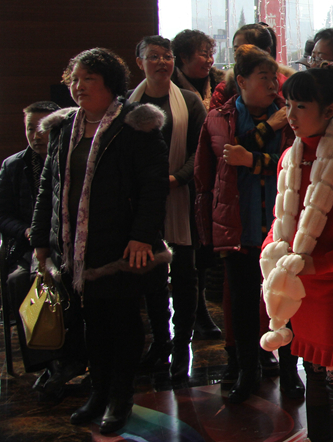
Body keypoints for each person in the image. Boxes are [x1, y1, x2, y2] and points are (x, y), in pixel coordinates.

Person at [31, 48, 169, 435]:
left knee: (122, 323)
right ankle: (98, 393)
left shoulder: (135, 125)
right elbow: (48, 187)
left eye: (87, 79)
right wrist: (41, 240)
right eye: (74, 79)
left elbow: (154, 186)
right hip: (75, 248)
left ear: (110, 83)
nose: (78, 87)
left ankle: (120, 398)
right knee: (92, 325)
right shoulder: (64, 126)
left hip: (122, 247)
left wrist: (142, 236)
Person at [259, 65, 333, 442]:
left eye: (301, 106)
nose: (290, 115)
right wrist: (270, 251)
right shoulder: (289, 158)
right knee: (311, 371)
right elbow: (280, 221)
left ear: (328, 111)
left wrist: (317, 264)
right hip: (300, 286)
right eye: (287, 105)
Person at [195, 44, 299, 403]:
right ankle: (246, 370)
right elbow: (216, 168)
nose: (272, 85)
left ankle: (290, 372)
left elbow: (292, 162)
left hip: (279, 226)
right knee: (241, 302)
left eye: (274, 78)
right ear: (241, 81)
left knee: (284, 300)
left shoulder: (290, 116)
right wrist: (206, 233)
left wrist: (253, 159)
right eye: (263, 78)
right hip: (237, 225)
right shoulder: (219, 119)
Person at [130, 36, 207, 381]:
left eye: (167, 56)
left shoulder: (189, 101)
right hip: (141, 204)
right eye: (153, 56)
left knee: (186, 275)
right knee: (152, 277)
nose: (162, 62)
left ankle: (182, 347)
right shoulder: (127, 104)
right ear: (139, 62)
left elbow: (200, 151)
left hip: (180, 198)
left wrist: (177, 178)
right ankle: (160, 344)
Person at [0, 101, 77, 398]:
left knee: (73, 281)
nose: (36, 135)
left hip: (69, 243)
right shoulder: (14, 166)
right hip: (29, 246)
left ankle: (75, 357)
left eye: (43, 128)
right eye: (30, 128)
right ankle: (49, 364)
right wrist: (27, 231)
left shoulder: (72, 158)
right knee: (20, 280)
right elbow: (3, 215)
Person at [170, 29, 224, 339]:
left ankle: (200, 310)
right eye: (202, 53)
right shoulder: (170, 88)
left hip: (216, 174)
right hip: (181, 177)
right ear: (183, 57)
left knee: (205, 248)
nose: (209, 60)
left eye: (210, 53)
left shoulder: (219, 82)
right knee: (183, 250)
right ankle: (187, 316)